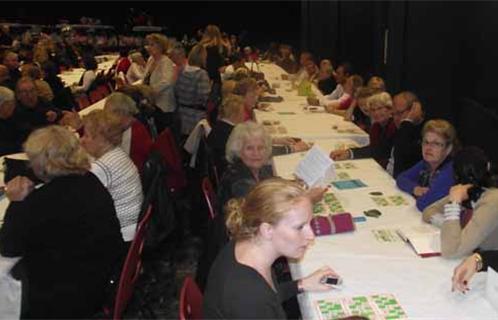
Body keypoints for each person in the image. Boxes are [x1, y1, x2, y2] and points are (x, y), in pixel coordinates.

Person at [0, 125, 124, 318]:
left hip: (67, 299)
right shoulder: (89, 179)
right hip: (103, 275)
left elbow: (8, 247)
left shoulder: (37, 205)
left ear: (41, 164)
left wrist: (16, 203)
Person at [203, 178, 338, 319]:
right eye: (299, 227)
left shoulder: (248, 245)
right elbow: (260, 299)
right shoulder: (249, 297)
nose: (311, 236)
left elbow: (270, 295)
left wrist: (301, 284)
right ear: (267, 230)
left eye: (309, 223)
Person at [423, 147, 498, 258]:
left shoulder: (492, 200)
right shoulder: (468, 190)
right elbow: (428, 212)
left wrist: (454, 205)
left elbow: (451, 251)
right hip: (471, 254)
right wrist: (452, 226)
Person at [81, 110, 143, 242]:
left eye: (86, 136)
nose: (82, 140)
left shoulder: (101, 168)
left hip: (122, 235)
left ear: (100, 139)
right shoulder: (118, 153)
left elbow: (81, 203)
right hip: (137, 228)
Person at [396, 120, 457, 211]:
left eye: (436, 144)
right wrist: (415, 188)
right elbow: (401, 178)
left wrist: (420, 194)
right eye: (426, 142)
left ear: (448, 149)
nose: (428, 148)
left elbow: (424, 204)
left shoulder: (449, 171)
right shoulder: (426, 163)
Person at [330, 92, 397, 168]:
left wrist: (349, 153)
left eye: (379, 108)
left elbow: (381, 151)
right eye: (373, 110)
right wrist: (349, 152)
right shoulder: (376, 126)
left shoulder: (394, 126)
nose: (376, 112)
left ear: (390, 109)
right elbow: (373, 147)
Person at [104, 92, 153, 172]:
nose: (106, 117)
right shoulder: (133, 125)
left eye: (107, 113)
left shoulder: (134, 134)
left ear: (120, 113)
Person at [142, 33, 176, 133]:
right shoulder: (150, 59)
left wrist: (150, 91)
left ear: (161, 46)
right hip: (151, 103)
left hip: (163, 105)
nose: (149, 47)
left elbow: (167, 82)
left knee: (162, 132)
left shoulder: (166, 61)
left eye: (152, 45)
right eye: (149, 44)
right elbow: (145, 78)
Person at [175, 44, 211, 135]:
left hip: (181, 114)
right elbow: (203, 97)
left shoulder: (182, 71)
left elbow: (176, 91)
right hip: (195, 117)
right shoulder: (202, 74)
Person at [387, 91, 425, 177]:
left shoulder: (426, 132)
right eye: (393, 114)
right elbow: (380, 149)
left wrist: (407, 122)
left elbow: (401, 163)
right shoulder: (401, 128)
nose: (396, 118)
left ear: (414, 110)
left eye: (399, 113)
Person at [0, 86, 28, 155]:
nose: (13, 106)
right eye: (11, 103)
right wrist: (21, 146)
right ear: (2, 105)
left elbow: (25, 131)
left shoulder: (15, 116)